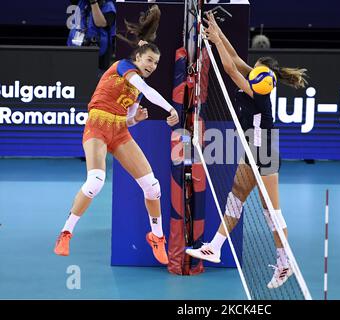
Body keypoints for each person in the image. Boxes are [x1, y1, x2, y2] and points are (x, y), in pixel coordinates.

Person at [185, 12, 307, 289]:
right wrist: (216, 30)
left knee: (271, 212)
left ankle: (285, 261)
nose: (251, 69)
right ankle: (214, 247)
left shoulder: (260, 89)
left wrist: (215, 41)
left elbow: (230, 69)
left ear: (265, 74)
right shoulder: (257, 78)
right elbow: (236, 60)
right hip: (252, 148)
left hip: (264, 150)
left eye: (257, 69)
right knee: (234, 199)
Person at [54, 5, 179, 266]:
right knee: (96, 181)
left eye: (156, 63)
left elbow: (128, 119)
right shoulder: (123, 66)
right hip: (97, 127)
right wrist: (170, 108)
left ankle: (157, 237)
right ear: (138, 58)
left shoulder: (137, 90)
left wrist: (136, 118)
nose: (153, 66)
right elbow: (142, 85)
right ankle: (65, 233)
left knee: (152, 187)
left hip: (119, 132)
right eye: (149, 61)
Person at [68, 0, 116, 71]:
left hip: (99, 52)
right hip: (78, 46)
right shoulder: (81, 2)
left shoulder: (108, 6)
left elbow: (100, 23)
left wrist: (93, 2)